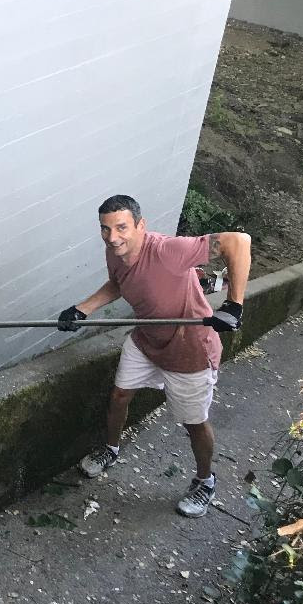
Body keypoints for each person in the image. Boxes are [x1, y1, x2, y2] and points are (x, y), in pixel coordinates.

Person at [57, 194, 251, 518]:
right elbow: (118, 284)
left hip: (189, 349)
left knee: (193, 423)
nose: (113, 237)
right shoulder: (114, 251)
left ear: (140, 225)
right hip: (147, 338)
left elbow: (238, 242)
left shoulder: (167, 251)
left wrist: (233, 305)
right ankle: (111, 448)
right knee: (119, 396)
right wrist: (82, 309)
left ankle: (205, 480)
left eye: (121, 227)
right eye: (106, 229)